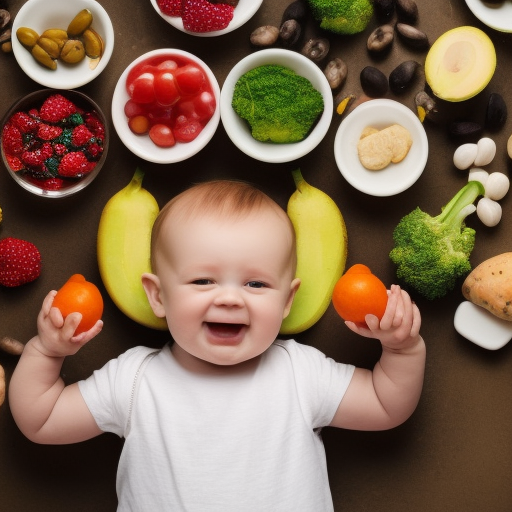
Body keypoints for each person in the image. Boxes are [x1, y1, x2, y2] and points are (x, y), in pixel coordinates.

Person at [9, 179, 426, 511]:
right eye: (203, 280)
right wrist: (47, 352)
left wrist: (401, 350)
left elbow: (386, 405)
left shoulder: (301, 372)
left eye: (256, 283)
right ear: (158, 296)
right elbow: (40, 420)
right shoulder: (134, 380)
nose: (229, 298)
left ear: (287, 301)